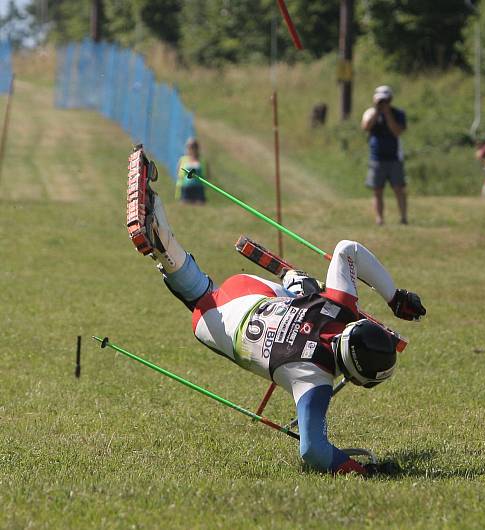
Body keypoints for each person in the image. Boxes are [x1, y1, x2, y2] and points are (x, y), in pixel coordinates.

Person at [128, 149, 426, 476]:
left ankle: (295, 286)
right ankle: (170, 252)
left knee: (289, 295)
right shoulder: (314, 382)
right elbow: (312, 451)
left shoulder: (342, 307)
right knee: (201, 297)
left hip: (250, 292)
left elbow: (347, 249)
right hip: (215, 323)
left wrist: (395, 298)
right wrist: (363, 471)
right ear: (358, 380)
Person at [361, 85, 408, 225]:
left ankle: (404, 217)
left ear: (390, 99)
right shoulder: (370, 113)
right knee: (377, 190)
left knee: (399, 188)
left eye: (385, 100)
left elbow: (397, 132)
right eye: (380, 100)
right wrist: (377, 112)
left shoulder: (398, 113)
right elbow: (365, 127)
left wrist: (387, 114)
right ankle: (379, 218)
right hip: (376, 158)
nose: (383, 103)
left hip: (394, 157)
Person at [175, 138, 208, 205]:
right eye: (189, 146)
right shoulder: (182, 159)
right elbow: (178, 173)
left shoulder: (202, 160)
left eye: (193, 146)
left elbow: (207, 174)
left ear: (197, 148)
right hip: (185, 189)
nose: (191, 148)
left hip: (199, 189)